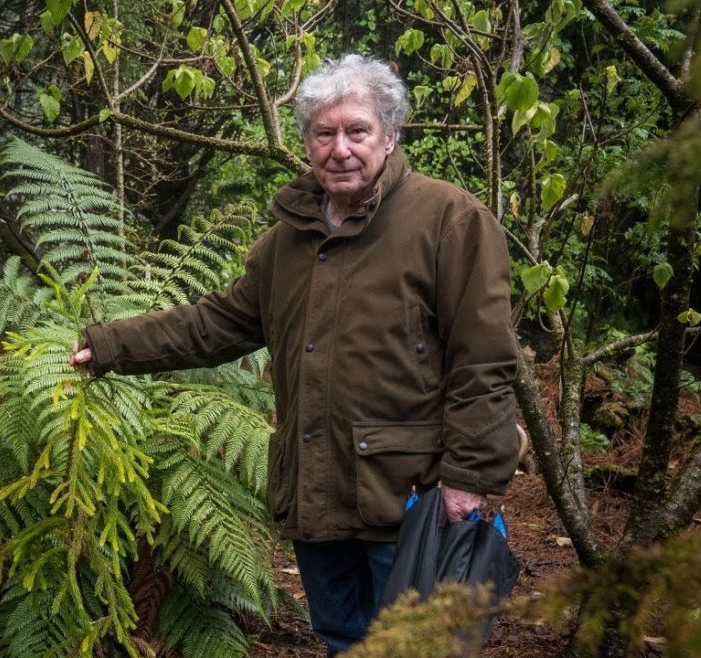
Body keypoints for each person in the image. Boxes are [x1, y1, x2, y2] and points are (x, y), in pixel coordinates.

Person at [70, 53, 519, 656]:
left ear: (390, 135)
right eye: (324, 133)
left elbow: (484, 360)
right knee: (341, 640)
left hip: (410, 500)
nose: (341, 148)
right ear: (306, 142)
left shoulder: (449, 219)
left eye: (357, 130)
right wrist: (105, 345)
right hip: (315, 493)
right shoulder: (286, 241)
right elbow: (211, 326)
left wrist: (467, 480)